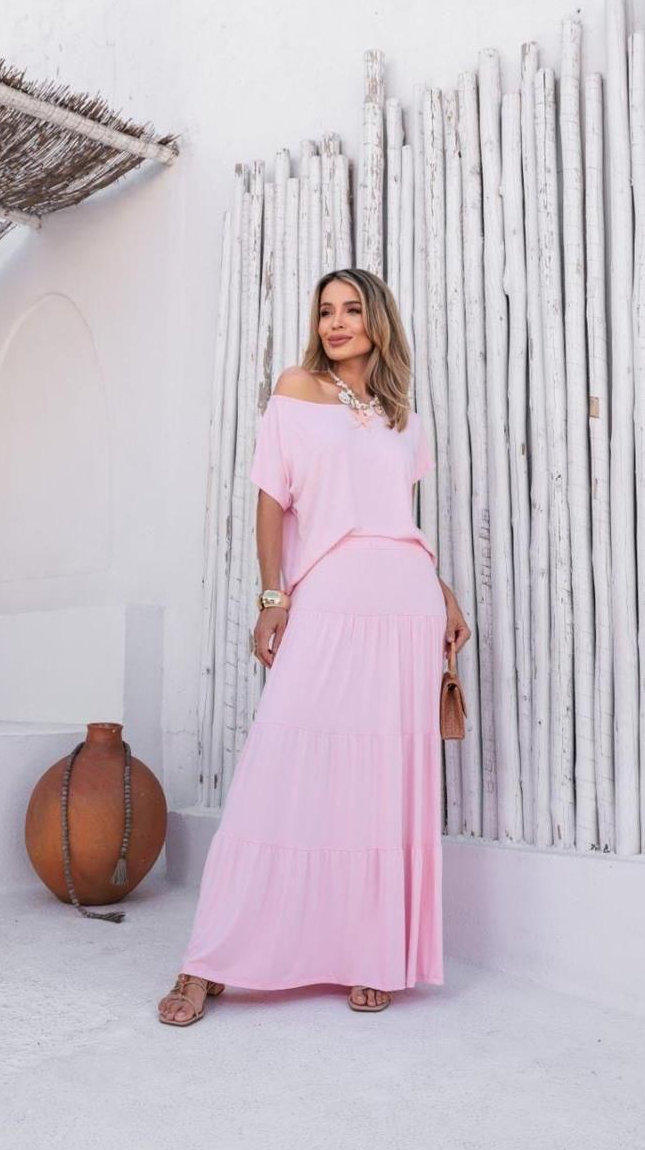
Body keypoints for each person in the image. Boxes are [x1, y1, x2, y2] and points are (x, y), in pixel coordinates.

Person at [158, 267, 470, 1025]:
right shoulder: (296, 390)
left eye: (351, 309)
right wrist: (273, 596)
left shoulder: (405, 420)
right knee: (280, 766)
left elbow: (397, 518)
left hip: (406, 598)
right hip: (327, 591)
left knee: (380, 780)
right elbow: (273, 499)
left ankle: (372, 953)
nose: (335, 322)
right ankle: (210, 961)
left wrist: (445, 594)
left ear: (377, 321)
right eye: (325, 310)